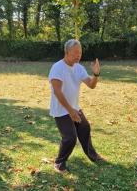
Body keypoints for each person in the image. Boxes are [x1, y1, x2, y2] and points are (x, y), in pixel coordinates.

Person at [48, 39, 106, 173]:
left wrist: (96, 74)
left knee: (85, 128)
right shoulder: (57, 67)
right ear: (67, 52)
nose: (78, 56)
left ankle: (93, 156)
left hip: (74, 107)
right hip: (61, 110)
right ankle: (59, 163)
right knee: (70, 138)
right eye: (75, 53)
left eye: (80, 53)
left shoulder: (79, 68)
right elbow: (57, 91)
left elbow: (91, 85)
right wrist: (71, 111)